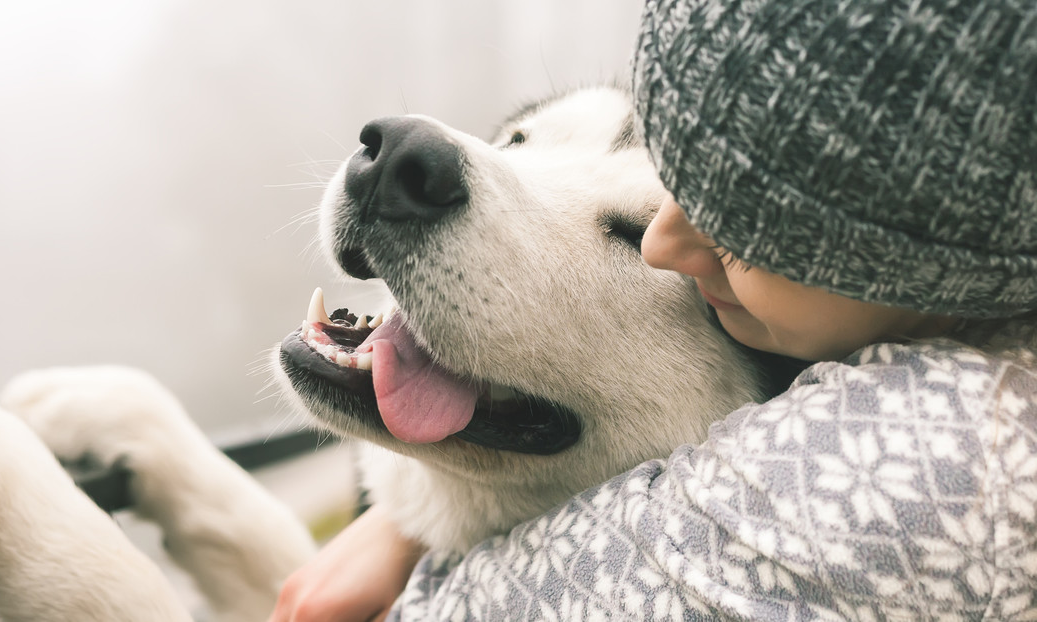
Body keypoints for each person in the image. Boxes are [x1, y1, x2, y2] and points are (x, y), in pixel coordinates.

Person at [271, 0, 1037, 619]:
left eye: (627, 233)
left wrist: (408, 542)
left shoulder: (945, 460)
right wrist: (403, 527)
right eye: (521, 139)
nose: (670, 239)